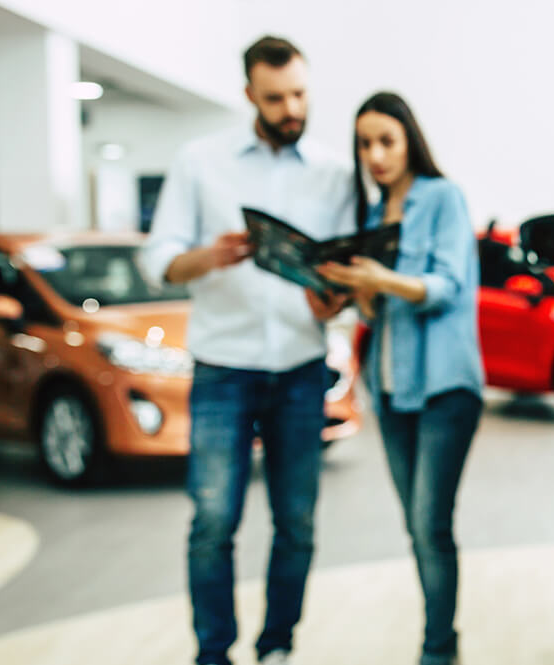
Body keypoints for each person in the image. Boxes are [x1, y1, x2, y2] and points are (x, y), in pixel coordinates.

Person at [139, 36, 354, 665]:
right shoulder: (199, 161)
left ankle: (277, 645)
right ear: (248, 96)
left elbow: (342, 272)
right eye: (275, 98)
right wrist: (207, 256)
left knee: (297, 523)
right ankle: (213, 652)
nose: (291, 108)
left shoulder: (333, 172)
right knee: (212, 522)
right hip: (221, 368)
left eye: (299, 95)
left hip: (300, 367)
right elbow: (157, 261)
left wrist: (332, 299)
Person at [316, 92, 483, 665]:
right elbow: (374, 311)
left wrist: (381, 279)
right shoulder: (369, 216)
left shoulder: (443, 198)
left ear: (409, 138)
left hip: (445, 389)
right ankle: (441, 641)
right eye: (365, 144)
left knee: (429, 523)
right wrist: (350, 291)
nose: (375, 154)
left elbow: (447, 287)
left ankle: (439, 649)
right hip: (389, 390)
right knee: (417, 529)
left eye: (386, 140)